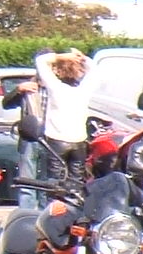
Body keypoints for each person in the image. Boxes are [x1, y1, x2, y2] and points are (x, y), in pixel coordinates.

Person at [14, 49, 96, 184]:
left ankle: (55, 198)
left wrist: (62, 57)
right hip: (79, 142)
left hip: (56, 141)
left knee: (55, 183)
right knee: (76, 182)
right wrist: (83, 58)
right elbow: (94, 70)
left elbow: (41, 61)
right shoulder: (85, 90)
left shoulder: (56, 88)